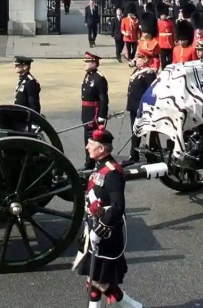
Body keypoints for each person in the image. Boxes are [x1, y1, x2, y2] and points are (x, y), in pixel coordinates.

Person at [79, 127, 142, 308]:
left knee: (99, 280)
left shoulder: (112, 172)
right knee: (96, 279)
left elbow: (117, 208)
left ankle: (133, 306)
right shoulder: (99, 167)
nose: (86, 147)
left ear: (101, 149)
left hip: (106, 235)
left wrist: (99, 231)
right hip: (94, 228)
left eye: (90, 144)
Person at [122, 50, 157, 166]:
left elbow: (151, 92)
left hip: (143, 108)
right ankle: (134, 155)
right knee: (135, 131)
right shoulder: (138, 70)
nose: (136, 59)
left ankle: (152, 155)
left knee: (147, 133)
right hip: (134, 106)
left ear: (146, 59)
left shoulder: (149, 73)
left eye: (139, 57)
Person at [82, 53, 110, 169]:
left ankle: (90, 164)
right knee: (87, 139)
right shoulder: (88, 75)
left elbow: (103, 98)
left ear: (94, 63)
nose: (84, 64)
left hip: (94, 112)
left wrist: (102, 115)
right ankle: (89, 162)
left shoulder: (99, 78)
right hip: (86, 112)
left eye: (87, 62)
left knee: (93, 139)